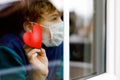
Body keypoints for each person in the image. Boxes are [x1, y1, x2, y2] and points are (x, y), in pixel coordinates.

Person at [0, 0, 63, 80]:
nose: (61, 23)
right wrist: (38, 76)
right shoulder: (9, 49)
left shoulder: (59, 45)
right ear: (30, 27)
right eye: (54, 18)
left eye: (60, 18)